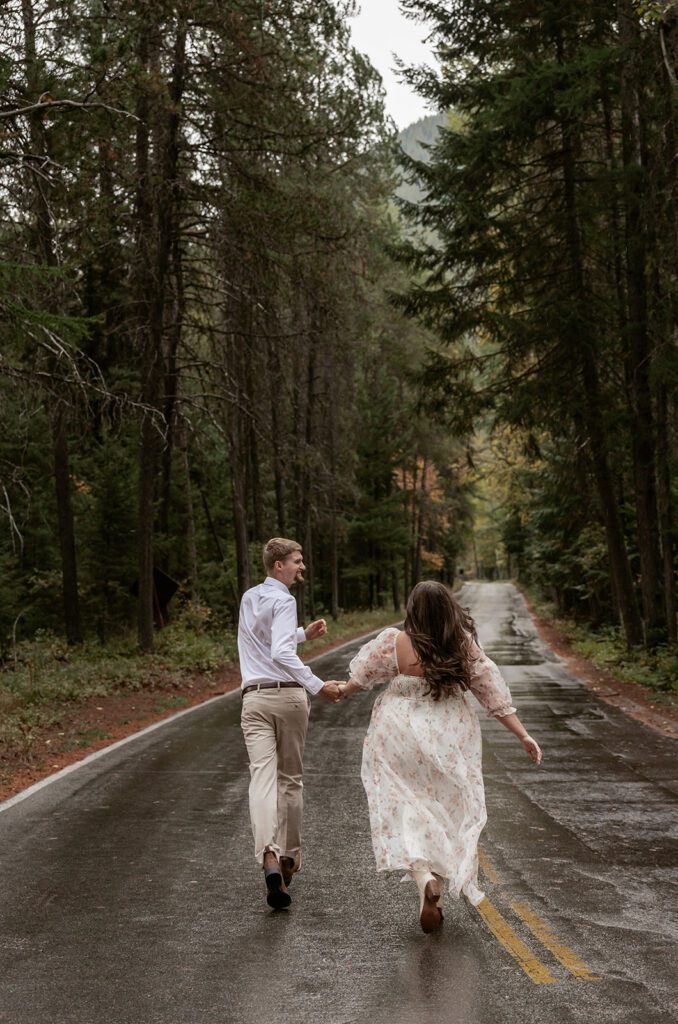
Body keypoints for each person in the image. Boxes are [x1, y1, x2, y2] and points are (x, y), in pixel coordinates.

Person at [338, 580, 542, 933]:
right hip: (449, 730)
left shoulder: (396, 641)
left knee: (404, 804)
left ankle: (424, 880)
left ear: (412, 609)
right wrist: (522, 733)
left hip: (398, 727)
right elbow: (490, 691)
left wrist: (341, 690)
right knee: (443, 805)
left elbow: (363, 675)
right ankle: (435, 886)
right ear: (449, 608)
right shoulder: (462, 645)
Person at [238, 537, 343, 911]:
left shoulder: (250, 598)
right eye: (297, 561)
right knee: (290, 780)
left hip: (253, 698)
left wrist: (303, 634)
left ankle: (267, 853)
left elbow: (263, 643)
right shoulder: (285, 600)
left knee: (261, 778)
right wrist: (318, 685)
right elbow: (280, 652)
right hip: (288, 698)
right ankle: (289, 859)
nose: (302, 567)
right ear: (278, 565)